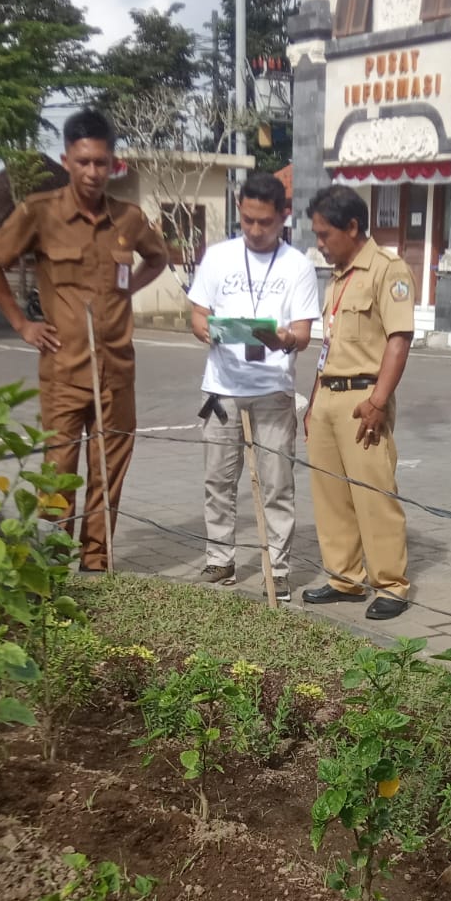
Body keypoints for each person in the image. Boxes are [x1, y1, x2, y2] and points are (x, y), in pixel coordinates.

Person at [0, 109, 168, 572]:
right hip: (63, 370)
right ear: (67, 160)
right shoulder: (40, 212)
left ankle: (96, 562)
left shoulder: (129, 217)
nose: (92, 172)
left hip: (117, 369)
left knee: (108, 470)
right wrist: (22, 324)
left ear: (112, 163)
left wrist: (128, 290)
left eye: (101, 162)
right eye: (83, 162)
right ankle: (56, 561)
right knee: (59, 469)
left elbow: (157, 258)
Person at [188, 173, 320, 603]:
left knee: (277, 483)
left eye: (264, 222)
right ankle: (219, 559)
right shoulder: (219, 257)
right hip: (222, 388)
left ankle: (276, 568)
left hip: (272, 390)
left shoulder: (297, 265)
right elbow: (197, 316)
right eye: (246, 220)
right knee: (217, 480)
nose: (255, 230)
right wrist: (208, 332)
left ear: (283, 216)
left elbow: (303, 332)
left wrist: (284, 339)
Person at [301, 186, 415, 621]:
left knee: (373, 494)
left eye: (325, 234)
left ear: (352, 227)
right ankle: (343, 577)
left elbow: (399, 339)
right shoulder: (339, 277)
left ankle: (390, 584)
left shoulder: (388, 269)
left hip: (365, 399)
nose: (320, 244)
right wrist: (313, 404)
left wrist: (379, 401)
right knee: (330, 494)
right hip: (329, 397)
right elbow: (328, 347)